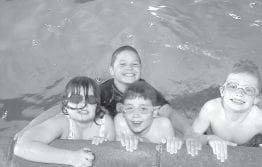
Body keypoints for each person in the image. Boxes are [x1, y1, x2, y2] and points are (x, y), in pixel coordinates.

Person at [15, 45, 201, 153]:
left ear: (140, 69)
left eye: (134, 65)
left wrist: (189, 132)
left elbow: (168, 112)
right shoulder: (102, 90)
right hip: (111, 127)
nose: (129, 68)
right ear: (111, 70)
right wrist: (29, 127)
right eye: (123, 64)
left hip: (130, 126)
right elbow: (61, 108)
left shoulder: (145, 90)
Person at [191, 60, 262, 165]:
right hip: (213, 141)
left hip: (250, 145)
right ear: (222, 91)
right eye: (233, 86)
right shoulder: (211, 109)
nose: (239, 93)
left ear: (256, 99)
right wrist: (209, 138)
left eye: (248, 90)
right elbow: (192, 135)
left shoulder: (259, 119)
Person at [14, 76, 115, 167]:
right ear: (66, 105)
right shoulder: (63, 123)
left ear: (97, 106)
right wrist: (71, 158)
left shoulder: (105, 122)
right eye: (76, 98)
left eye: (91, 99)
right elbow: (21, 146)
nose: (84, 103)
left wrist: (105, 143)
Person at [114, 80, 184, 153]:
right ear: (123, 112)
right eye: (129, 108)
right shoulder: (121, 122)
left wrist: (175, 143)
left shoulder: (163, 125)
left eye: (143, 109)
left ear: (154, 112)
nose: (136, 115)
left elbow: (169, 157)